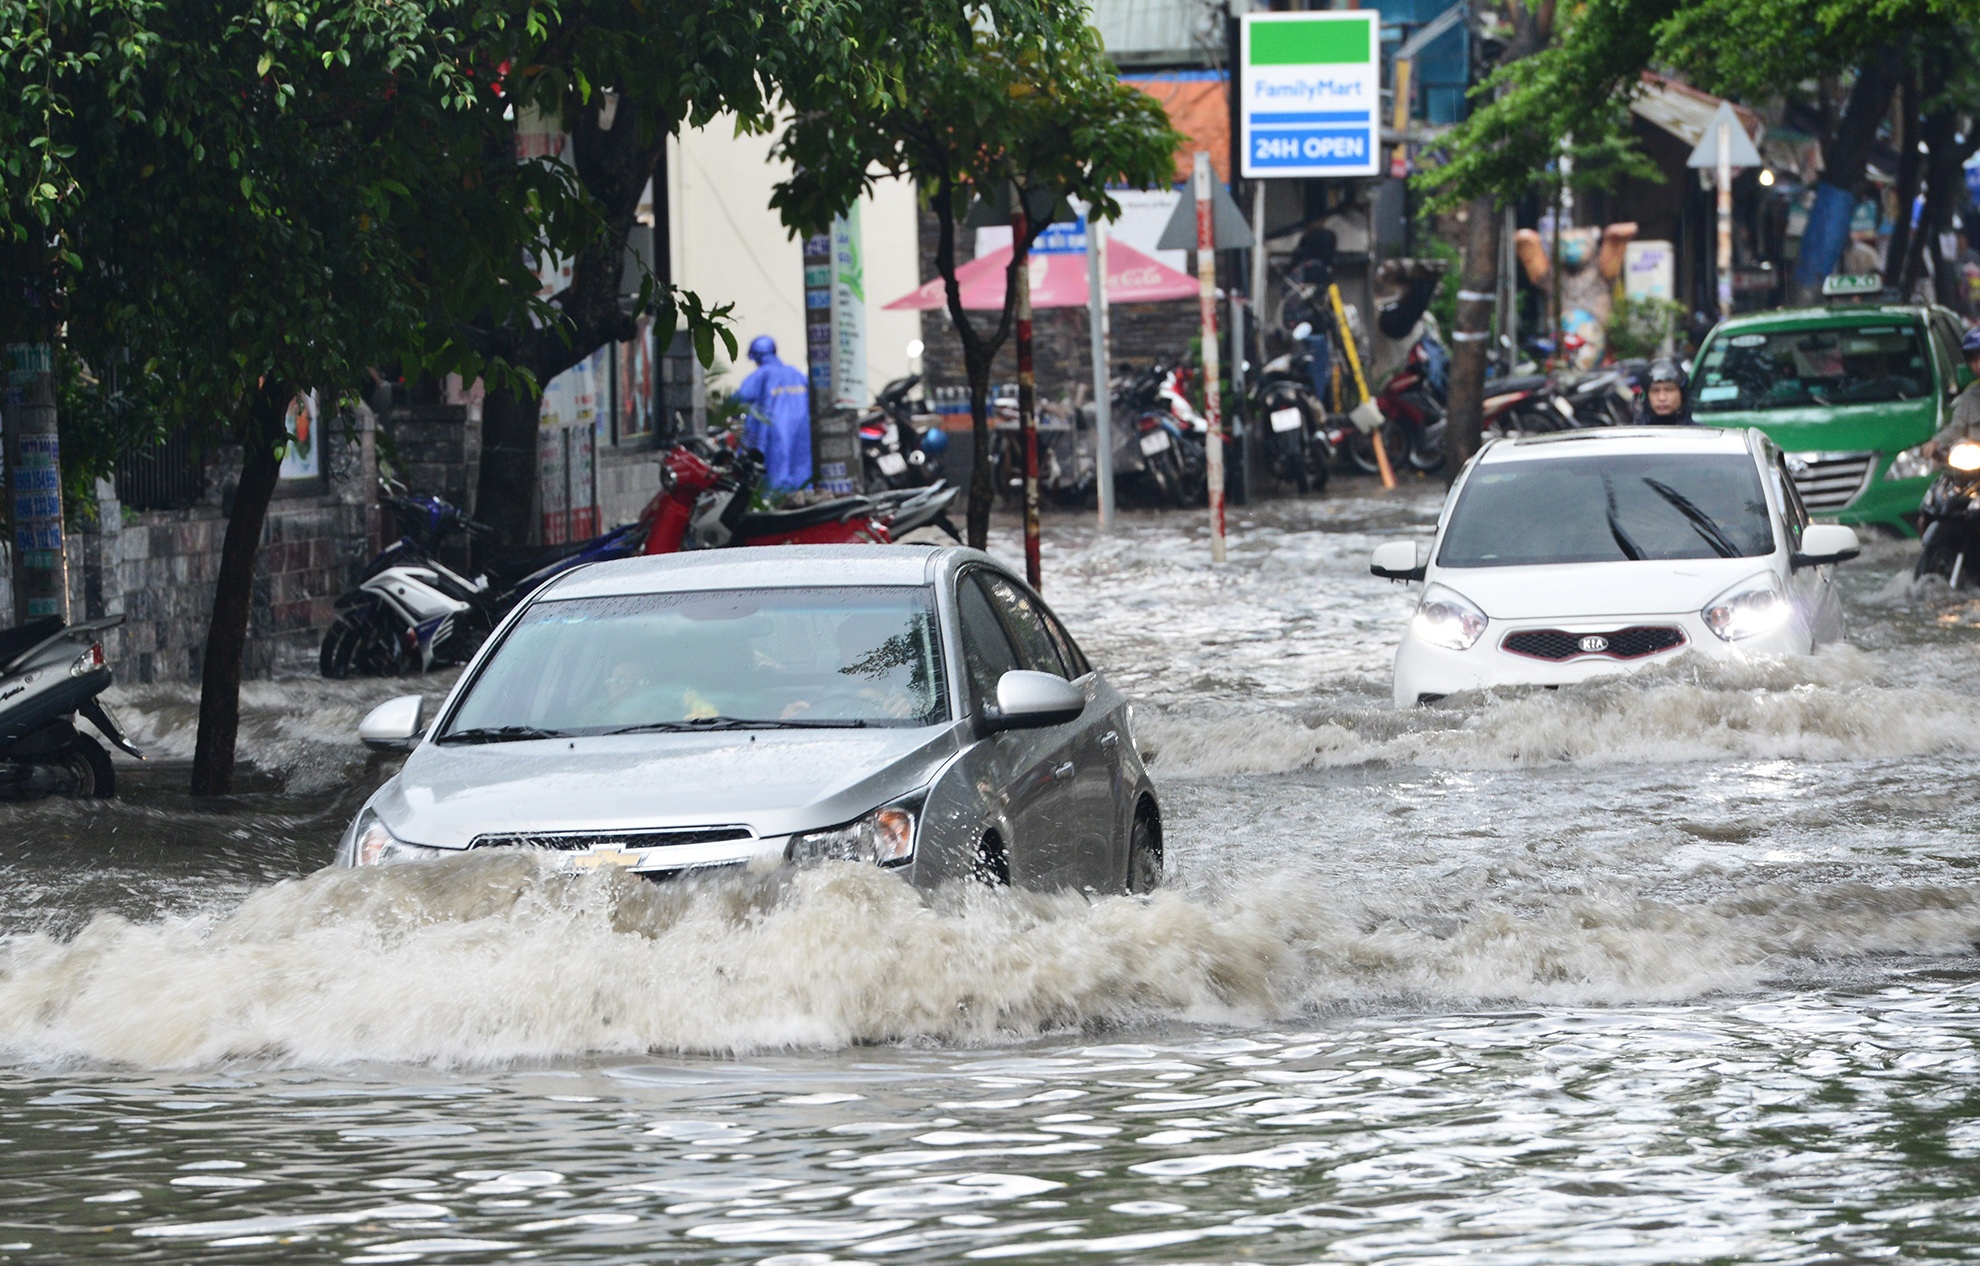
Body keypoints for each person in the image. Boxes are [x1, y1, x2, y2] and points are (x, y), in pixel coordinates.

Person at [734, 335, 813, 491]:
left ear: (756, 356)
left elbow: (737, 400)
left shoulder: (761, 375)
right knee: (801, 471)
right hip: (802, 432)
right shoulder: (796, 374)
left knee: (775, 474)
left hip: (773, 434)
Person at [1928, 326, 1980, 449]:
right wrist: (1934, 443)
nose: (1978, 365)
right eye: (1973, 360)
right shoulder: (1971, 395)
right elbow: (1956, 427)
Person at [1633, 357, 1694, 425]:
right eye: (1655, 391)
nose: (1662, 398)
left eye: (1669, 390)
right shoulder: (1633, 431)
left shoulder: (1698, 431)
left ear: (1682, 394)